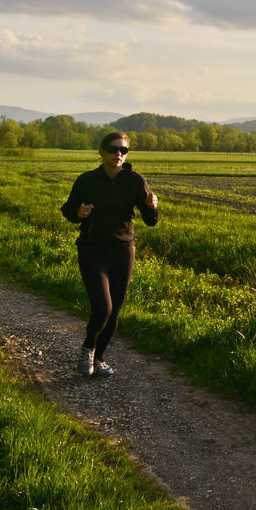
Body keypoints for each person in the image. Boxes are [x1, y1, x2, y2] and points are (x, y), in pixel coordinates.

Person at [60, 131, 158, 377]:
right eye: (114, 149)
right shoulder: (87, 180)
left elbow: (150, 221)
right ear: (101, 151)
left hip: (124, 251)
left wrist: (151, 208)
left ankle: (99, 358)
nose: (118, 154)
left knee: (115, 311)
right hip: (92, 249)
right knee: (102, 307)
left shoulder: (135, 181)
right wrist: (79, 213)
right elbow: (69, 209)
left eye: (123, 150)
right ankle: (88, 348)